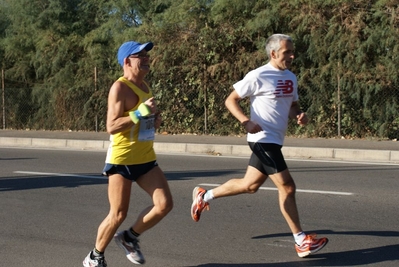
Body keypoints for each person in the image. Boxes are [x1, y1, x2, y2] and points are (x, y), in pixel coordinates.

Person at [191, 34, 328, 258]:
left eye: (293, 52)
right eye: (287, 53)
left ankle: (203, 197)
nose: (292, 56)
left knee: (250, 185)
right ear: (273, 54)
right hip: (262, 140)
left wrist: (299, 116)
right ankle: (301, 240)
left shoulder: (291, 77)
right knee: (288, 187)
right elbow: (230, 100)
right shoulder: (258, 75)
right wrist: (245, 121)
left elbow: (292, 105)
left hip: (275, 140)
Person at [83, 41, 173, 267]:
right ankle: (94, 257)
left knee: (164, 204)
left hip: (145, 157)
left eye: (146, 55)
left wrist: (154, 120)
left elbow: (142, 119)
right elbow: (111, 126)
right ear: (126, 61)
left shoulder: (145, 86)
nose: (145, 58)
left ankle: (128, 237)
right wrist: (139, 113)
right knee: (118, 213)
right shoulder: (120, 88)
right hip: (122, 159)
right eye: (139, 56)